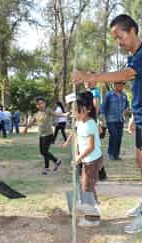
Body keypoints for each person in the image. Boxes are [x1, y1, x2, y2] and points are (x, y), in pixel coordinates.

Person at [72, 14, 142, 234]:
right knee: (140, 164)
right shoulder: (134, 57)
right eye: (115, 39)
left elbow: (125, 75)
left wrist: (92, 76)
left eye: (120, 36)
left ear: (133, 30)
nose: (119, 42)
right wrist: (134, 115)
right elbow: (137, 88)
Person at [62, 92, 103, 227]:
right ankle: (94, 207)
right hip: (87, 160)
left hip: (92, 160)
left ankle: (92, 218)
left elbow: (90, 147)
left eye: (78, 111)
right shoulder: (81, 121)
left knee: (86, 188)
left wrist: (78, 159)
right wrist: (68, 142)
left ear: (88, 109)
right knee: (88, 185)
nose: (76, 114)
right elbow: (75, 131)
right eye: (74, 111)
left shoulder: (90, 124)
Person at [24, 97, 68, 175]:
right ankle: (51, 165)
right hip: (41, 135)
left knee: (44, 151)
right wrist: (26, 128)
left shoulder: (48, 110)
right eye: (38, 104)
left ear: (45, 103)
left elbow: (57, 114)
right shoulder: (36, 114)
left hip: (48, 134)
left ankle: (53, 163)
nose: (40, 105)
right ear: (37, 105)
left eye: (42, 103)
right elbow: (31, 123)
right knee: (43, 152)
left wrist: (65, 114)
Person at [85, 75, 108, 181]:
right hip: (89, 121)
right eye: (85, 80)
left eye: (89, 80)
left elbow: (95, 109)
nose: (87, 82)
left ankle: (101, 172)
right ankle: (98, 171)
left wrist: (94, 122)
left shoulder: (95, 93)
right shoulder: (89, 92)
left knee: (94, 147)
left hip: (92, 122)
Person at [101, 82, 129, 160]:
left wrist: (125, 111)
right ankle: (111, 153)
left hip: (120, 120)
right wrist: (103, 120)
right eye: (119, 84)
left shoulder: (124, 95)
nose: (121, 86)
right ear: (114, 85)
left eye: (123, 84)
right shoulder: (109, 95)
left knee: (119, 137)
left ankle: (116, 155)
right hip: (111, 120)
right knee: (114, 135)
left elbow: (127, 106)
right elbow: (103, 108)